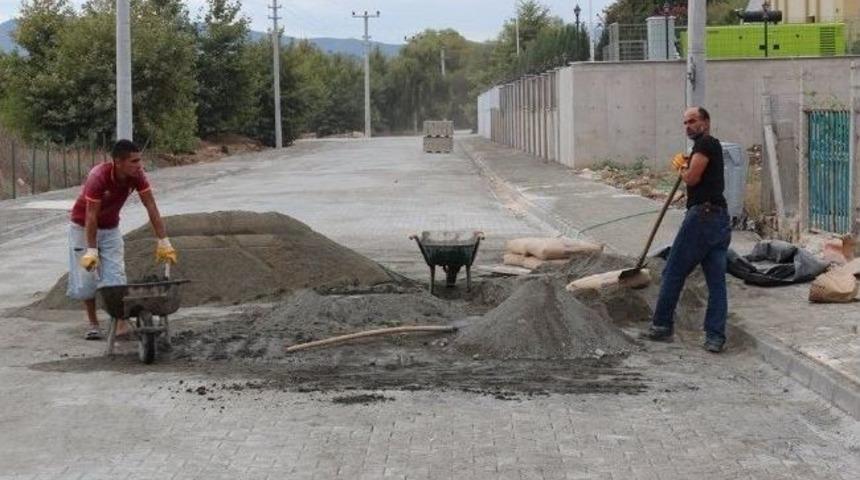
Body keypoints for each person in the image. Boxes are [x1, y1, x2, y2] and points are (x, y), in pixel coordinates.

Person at [67, 139, 177, 340]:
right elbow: (91, 216)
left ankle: (120, 324)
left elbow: (151, 205)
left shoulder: (137, 176)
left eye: (139, 160)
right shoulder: (98, 177)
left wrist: (163, 241)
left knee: (116, 276)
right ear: (118, 162)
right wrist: (91, 250)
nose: (139, 165)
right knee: (86, 279)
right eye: (134, 161)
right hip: (82, 227)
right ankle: (93, 323)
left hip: (110, 228)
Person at [641, 107, 731, 353]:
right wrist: (688, 162)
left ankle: (661, 326)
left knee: (673, 270)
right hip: (719, 219)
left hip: (702, 218)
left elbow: (691, 179)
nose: (688, 126)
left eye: (693, 121)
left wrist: (682, 168)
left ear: (706, 122)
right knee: (716, 282)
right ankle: (715, 337)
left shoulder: (705, 143)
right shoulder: (707, 147)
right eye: (685, 122)